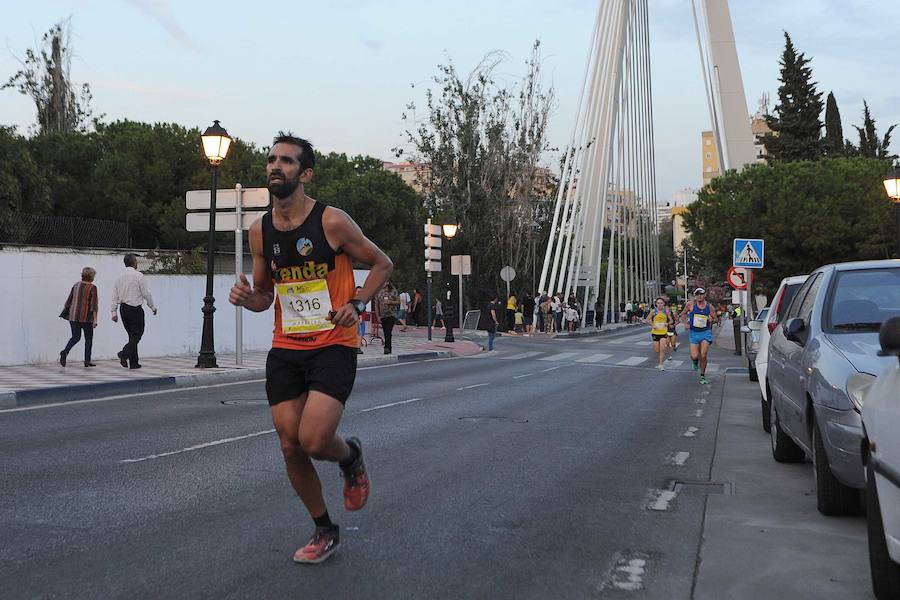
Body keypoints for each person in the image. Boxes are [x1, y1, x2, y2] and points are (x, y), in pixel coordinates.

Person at [228, 132, 393, 564]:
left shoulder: (331, 222)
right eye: (271, 160)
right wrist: (250, 299)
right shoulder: (259, 230)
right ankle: (324, 528)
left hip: (333, 344)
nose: (275, 167)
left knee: (315, 440)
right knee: (289, 445)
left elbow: (382, 263)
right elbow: (266, 296)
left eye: (285, 161)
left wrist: (357, 303)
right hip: (286, 347)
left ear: (305, 173)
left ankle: (350, 455)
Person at [111, 253, 157, 369]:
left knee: (131, 335)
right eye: (136, 261)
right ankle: (124, 354)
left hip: (123, 309)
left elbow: (114, 296)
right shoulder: (139, 276)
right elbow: (146, 293)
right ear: (133, 262)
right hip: (135, 308)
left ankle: (134, 362)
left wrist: (114, 312)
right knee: (137, 334)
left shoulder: (119, 277)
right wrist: (152, 306)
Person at [59, 267, 99, 368]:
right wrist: (95, 319)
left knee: (75, 337)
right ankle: (87, 361)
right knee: (88, 339)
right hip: (86, 317)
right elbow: (94, 305)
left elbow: (68, 301)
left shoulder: (76, 285)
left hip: (73, 316)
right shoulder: (92, 288)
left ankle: (65, 351)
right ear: (91, 276)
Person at [680, 287, 718, 385]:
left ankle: (702, 375)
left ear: (705, 295)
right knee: (694, 356)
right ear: (695, 296)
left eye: (701, 294)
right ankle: (695, 362)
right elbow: (683, 314)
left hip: (705, 332)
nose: (699, 296)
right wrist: (685, 323)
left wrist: (711, 320)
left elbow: (716, 319)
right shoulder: (690, 304)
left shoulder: (709, 307)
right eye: (697, 294)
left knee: (703, 354)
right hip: (694, 333)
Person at [646, 297, 673, 370]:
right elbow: (647, 320)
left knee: (662, 348)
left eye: (661, 303)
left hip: (663, 332)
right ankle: (661, 361)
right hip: (655, 333)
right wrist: (652, 325)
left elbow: (671, 320)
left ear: (663, 304)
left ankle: (661, 364)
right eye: (658, 303)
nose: (660, 305)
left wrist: (667, 323)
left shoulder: (666, 311)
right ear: (656, 304)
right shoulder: (653, 311)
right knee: (657, 350)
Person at [377, 282, 400, 354]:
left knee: (388, 330)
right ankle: (388, 347)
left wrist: (391, 302)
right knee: (385, 331)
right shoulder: (379, 291)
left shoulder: (393, 291)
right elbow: (376, 304)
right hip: (383, 315)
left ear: (388, 283)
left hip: (391, 314)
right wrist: (378, 316)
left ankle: (387, 348)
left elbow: (398, 302)